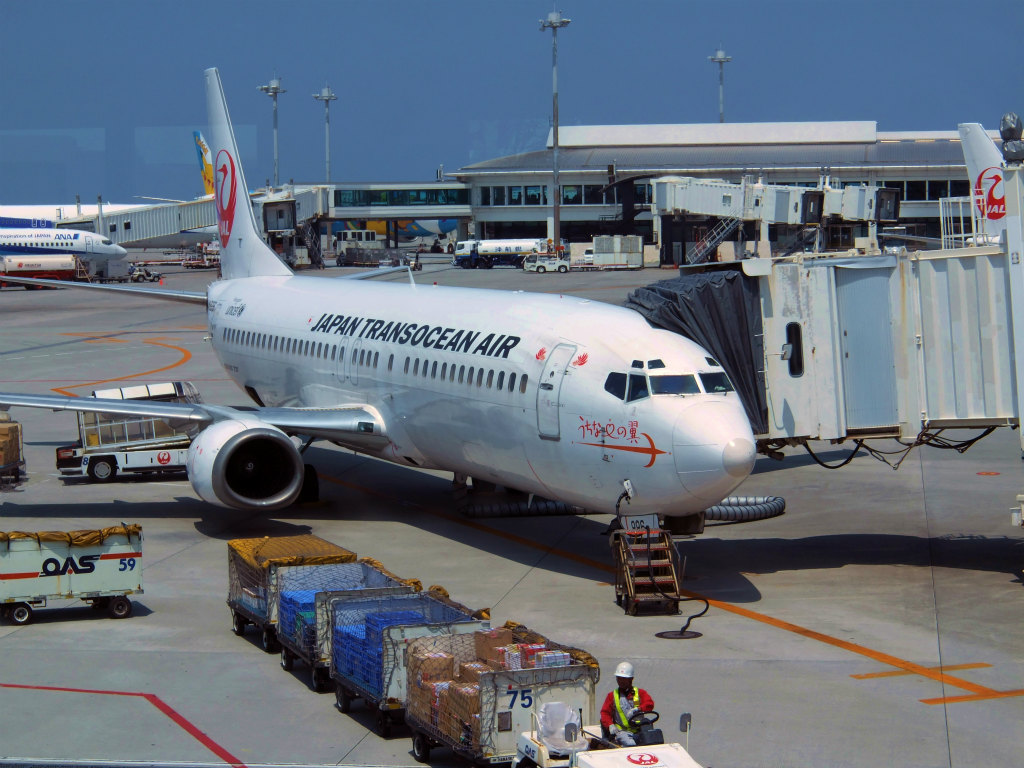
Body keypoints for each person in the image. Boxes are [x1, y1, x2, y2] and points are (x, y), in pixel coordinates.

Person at [600, 661, 655, 747]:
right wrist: (610, 725)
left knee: (654, 741)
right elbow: (605, 713)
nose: (621, 681)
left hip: (640, 730)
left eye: (624, 679)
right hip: (622, 732)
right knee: (630, 744)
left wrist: (639, 709)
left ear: (631, 679)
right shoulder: (612, 696)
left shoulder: (640, 693)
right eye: (619, 678)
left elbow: (649, 704)